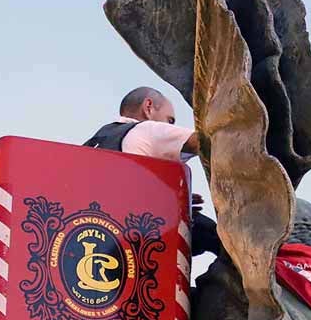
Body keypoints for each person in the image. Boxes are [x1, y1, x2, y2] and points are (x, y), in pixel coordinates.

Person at [85, 87, 220, 255]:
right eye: (170, 120)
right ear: (148, 107)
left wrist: (168, 198)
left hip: (100, 237)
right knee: (221, 239)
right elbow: (212, 141)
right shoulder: (147, 130)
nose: (171, 127)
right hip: (139, 235)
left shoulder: (95, 143)